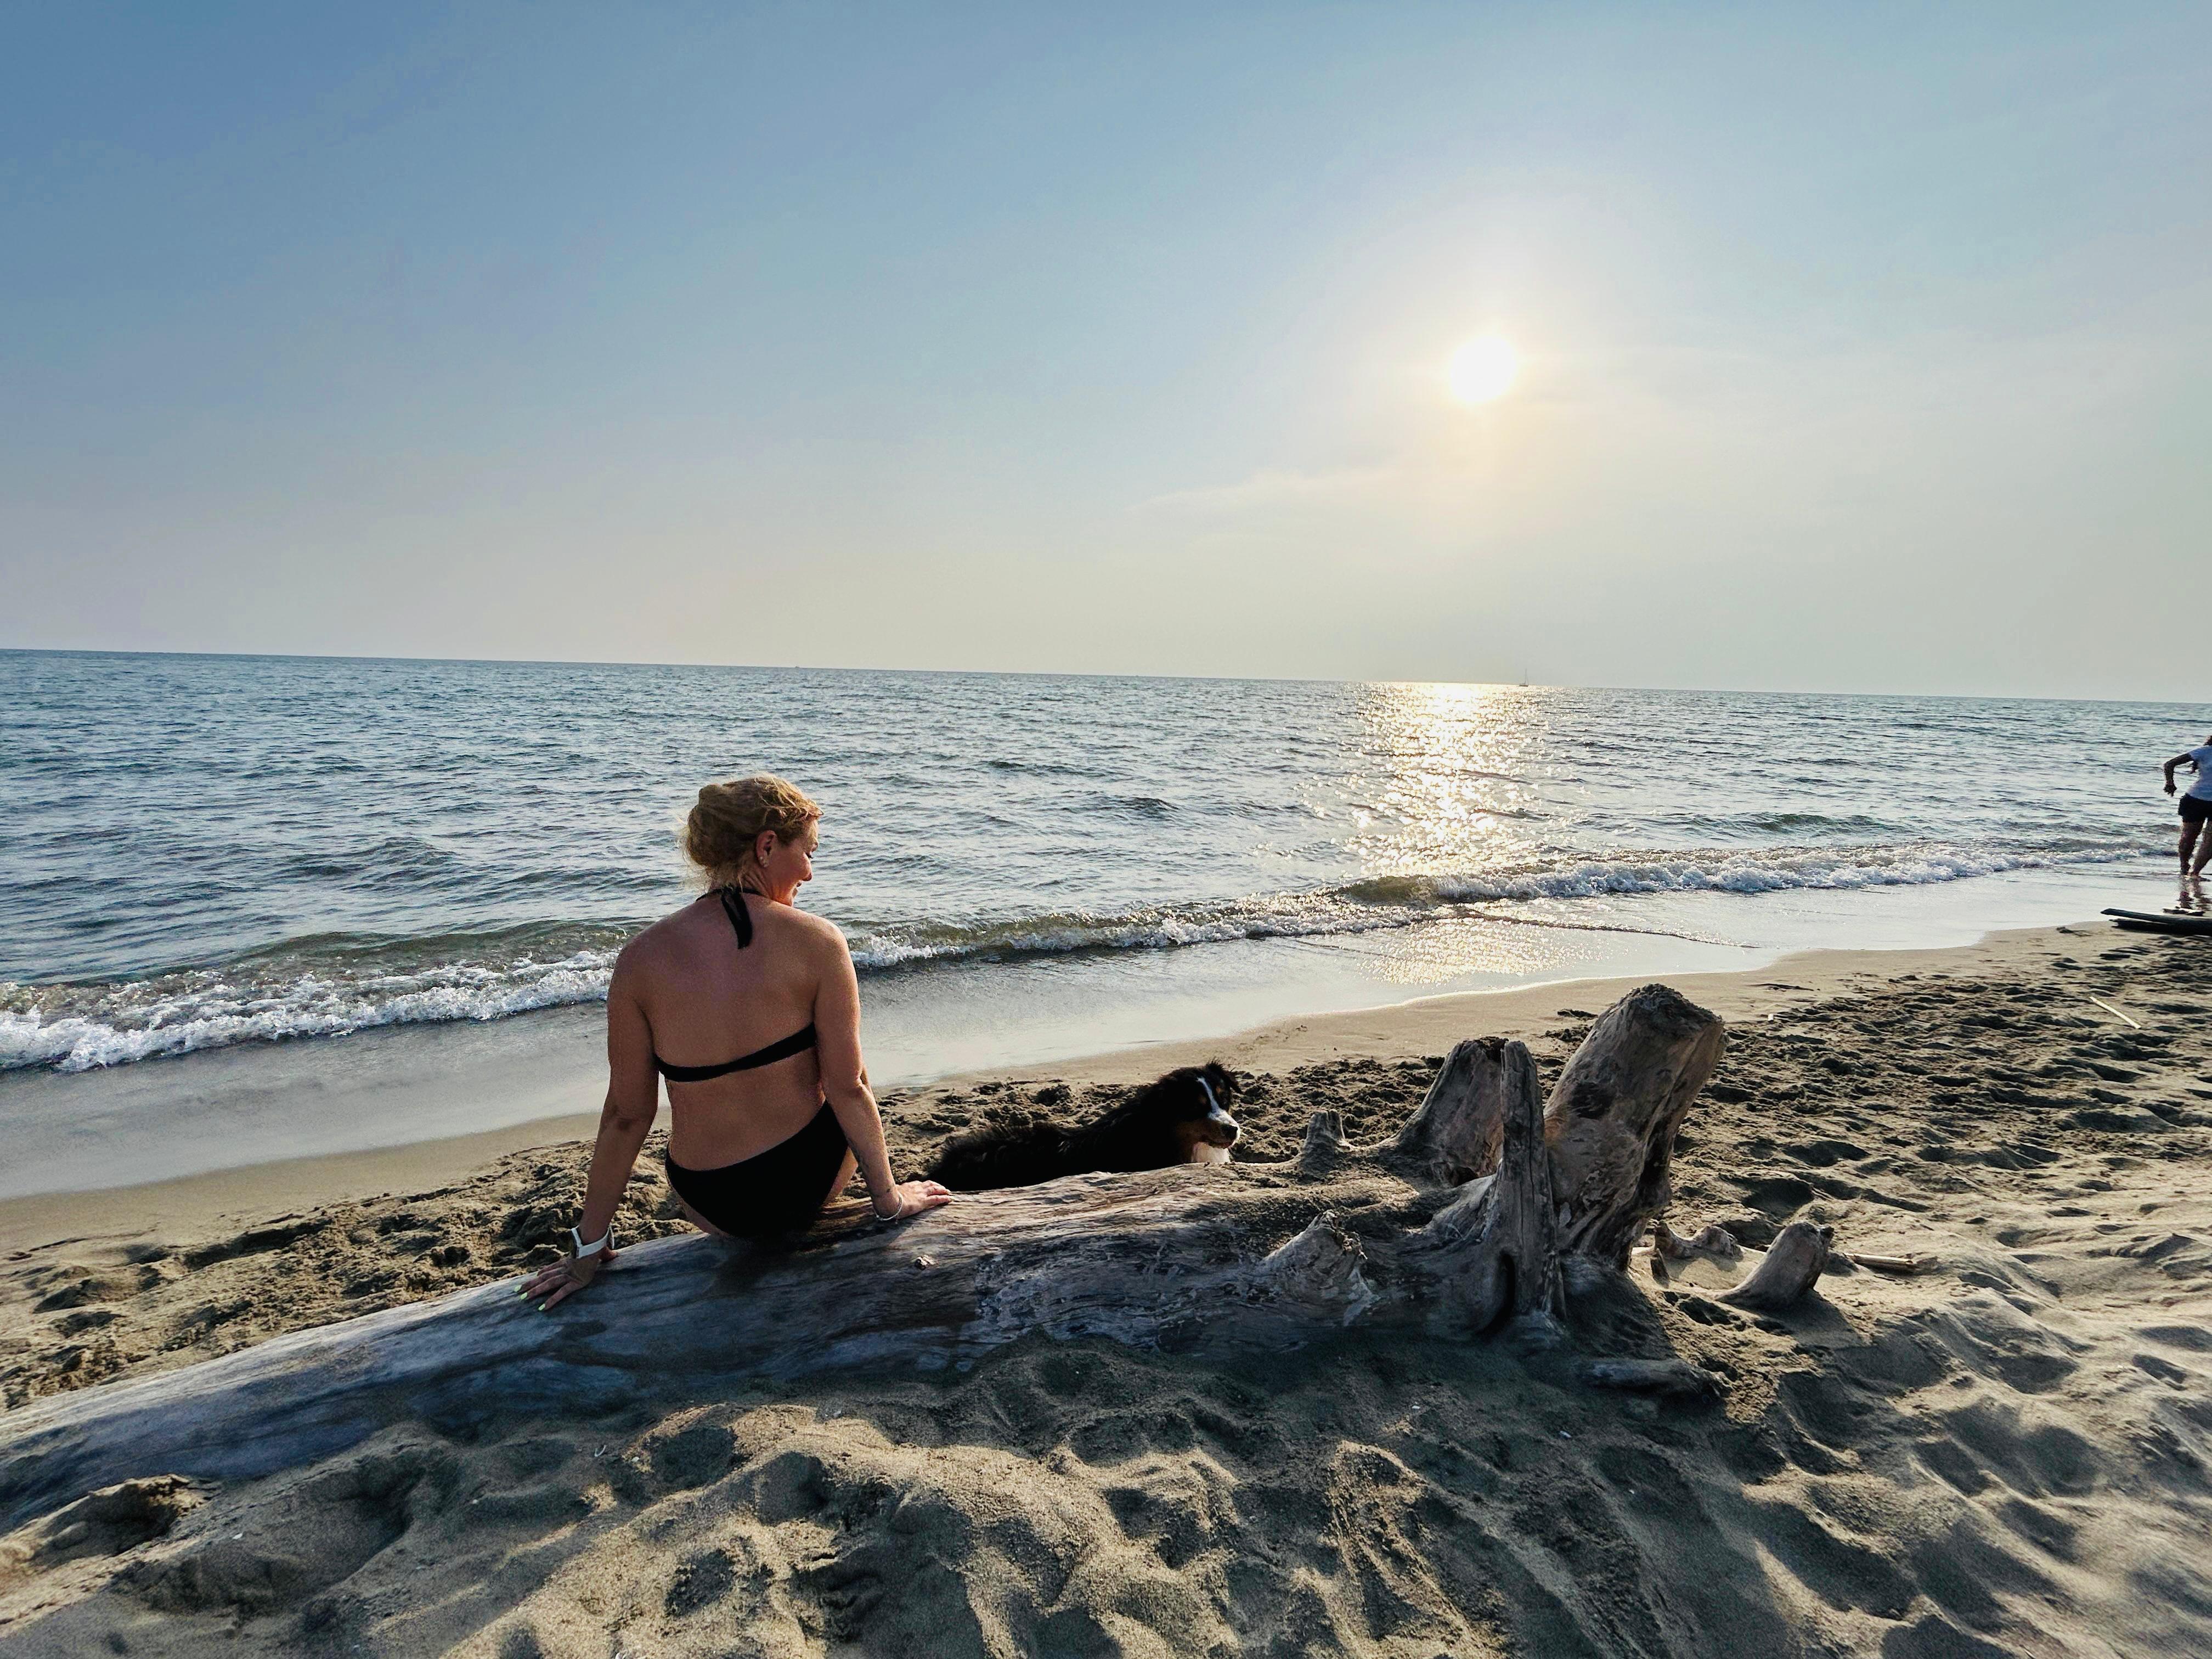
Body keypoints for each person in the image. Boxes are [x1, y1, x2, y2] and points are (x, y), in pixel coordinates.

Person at [523, 774, 950, 1310]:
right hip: (809, 1181)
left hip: (712, 1203)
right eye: (808, 852)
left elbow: (627, 1117)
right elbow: (848, 1087)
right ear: (767, 845)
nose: (810, 872)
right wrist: (888, 1200)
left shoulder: (639, 960)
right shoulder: (818, 941)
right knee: (843, 1070)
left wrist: (587, 1250)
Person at [2162, 735, 2212, 911]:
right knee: (2188, 839)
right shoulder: (2204, 752)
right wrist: (2170, 783)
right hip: (2196, 800)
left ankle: (2195, 873)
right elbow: (2170, 764)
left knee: (2211, 841)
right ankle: (2184, 866)